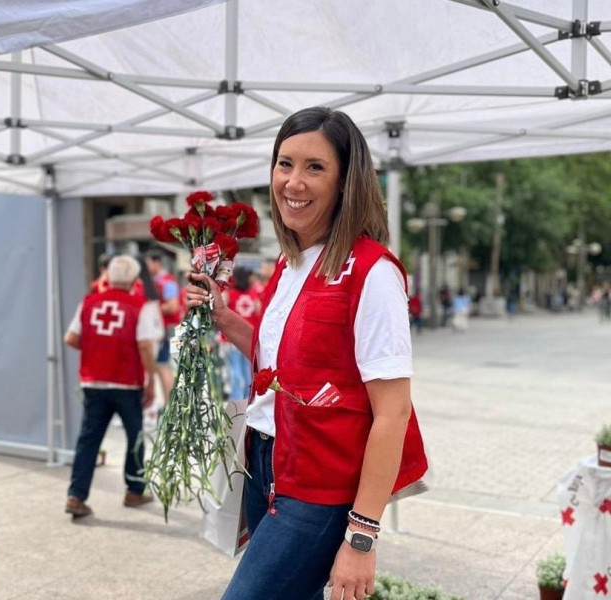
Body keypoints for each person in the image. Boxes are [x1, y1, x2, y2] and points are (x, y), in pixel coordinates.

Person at [185, 107, 427, 600]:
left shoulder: (371, 273)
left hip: (321, 486)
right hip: (266, 462)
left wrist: (361, 538)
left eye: (315, 167)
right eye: (284, 163)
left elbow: (393, 412)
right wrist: (225, 318)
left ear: (346, 182)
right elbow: (289, 371)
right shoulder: (290, 259)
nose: (293, 182)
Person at [63, 255, 162, 518]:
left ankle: (76, 495)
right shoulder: (140, 306)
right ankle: (134, 490)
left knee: (89, 440)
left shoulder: (89, 302)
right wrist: (150, 381)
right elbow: (144, 346)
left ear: (108, 277)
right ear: (134, 280)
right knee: (134, 437)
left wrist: (97, 348)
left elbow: (71, 338)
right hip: (127, 383)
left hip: (93, 381)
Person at [144, 250, 181, 403]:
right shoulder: (158, 281)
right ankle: (168, 402)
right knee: (161, 365)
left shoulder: (167, 282)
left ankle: (169, 403)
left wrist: (152, 309)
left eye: (148, 263)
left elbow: (173, 306)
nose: (146, 267)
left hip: (166, 328)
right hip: (162, 328)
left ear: (156, 263)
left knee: (162, 365)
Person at [223, 267, 261, 400]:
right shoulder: (253, 295)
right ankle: (248, 399)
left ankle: (236, 400)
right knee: (248, 372)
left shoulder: (230, 294)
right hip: (249, 337)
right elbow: (259, 312)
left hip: (231, 339)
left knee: (235, 370)